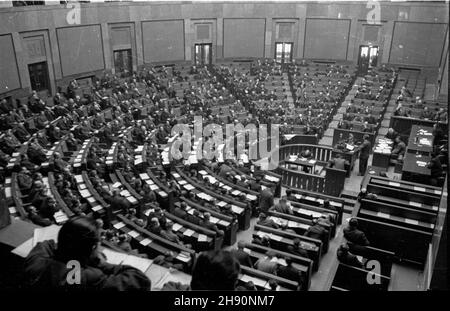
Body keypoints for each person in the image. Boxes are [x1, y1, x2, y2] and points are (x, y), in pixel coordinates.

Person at [23, 216, 151, 290]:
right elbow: (141, 280)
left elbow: (48, 244)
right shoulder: (90, 277)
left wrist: (71, 243)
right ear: (92, 248)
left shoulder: (37, 261)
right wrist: (101, 263)